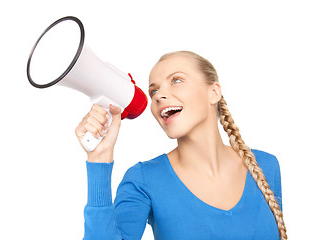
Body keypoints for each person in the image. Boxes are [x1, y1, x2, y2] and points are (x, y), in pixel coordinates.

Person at [75, 51, 288, 240]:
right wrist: (99, 160)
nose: (159, 96)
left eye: (176, 80)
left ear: (213, 93)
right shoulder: (142, 180)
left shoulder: (266, 166)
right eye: (153, 91)